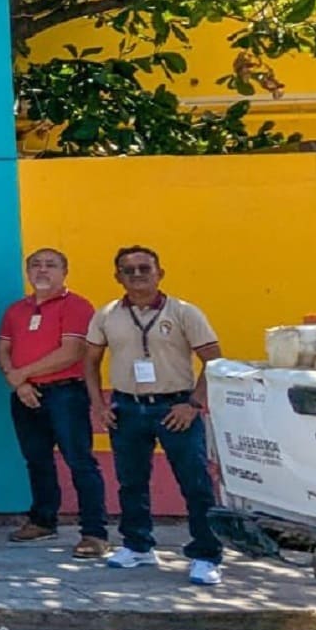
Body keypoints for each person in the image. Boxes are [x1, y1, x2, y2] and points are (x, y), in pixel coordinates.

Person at [84, 245, 226, 586]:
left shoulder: (183, 312)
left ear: (160, 273)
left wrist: (193, 404)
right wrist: (100, 406)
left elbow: (215, 362)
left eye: (144, 268)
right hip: (127, 407)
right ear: (118, 277)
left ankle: (206, 553)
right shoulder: (107, 314)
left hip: (175, 407)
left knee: (194, 482)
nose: (136, 276)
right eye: (128, 270)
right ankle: (137, 544)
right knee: (131, 481)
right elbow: (89, 363)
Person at [0, 248, 108, 557]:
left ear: (64, 271)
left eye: (50, 265)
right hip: (25, 395)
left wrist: (21, 375)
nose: (42, 270)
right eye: (35, 265)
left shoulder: (77, 306)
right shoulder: (16, 310)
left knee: (80, 461)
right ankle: (43, 521)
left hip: (66, 394)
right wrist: (19, 382)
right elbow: (3, 349)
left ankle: (94, 533)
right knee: (37, 460)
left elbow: (71, 352)